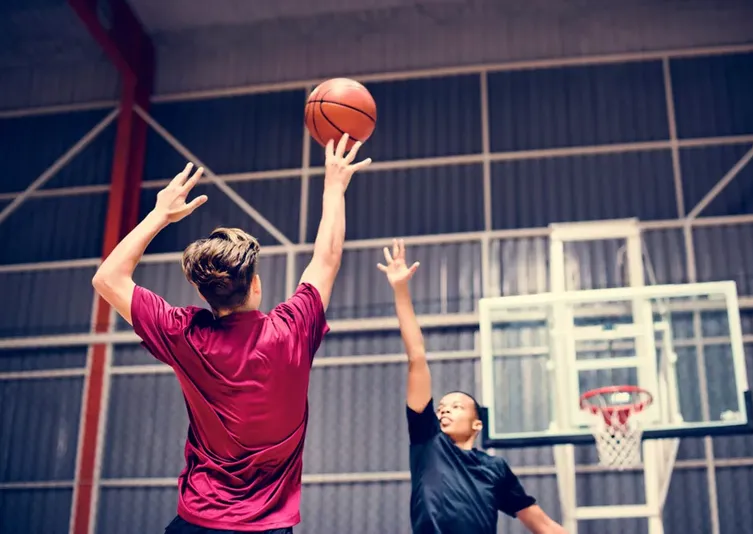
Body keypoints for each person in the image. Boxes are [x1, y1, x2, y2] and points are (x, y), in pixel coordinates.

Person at [91, 134, 371, 533]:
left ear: (202, 293)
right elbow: (327, 257)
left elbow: (107, 278)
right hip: (267, 526)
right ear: (255, 284)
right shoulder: (291, 329)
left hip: (198, 521)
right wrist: (334, 184)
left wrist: (159, 214)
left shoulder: (184, 333)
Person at [377, 239, 567, 534]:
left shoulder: (495, 469)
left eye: (456, 406)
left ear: (477, 423)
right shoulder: (428, 442)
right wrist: (400, 289)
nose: (444, 411)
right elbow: (416, 356)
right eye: (441, 407)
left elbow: (541, 524)